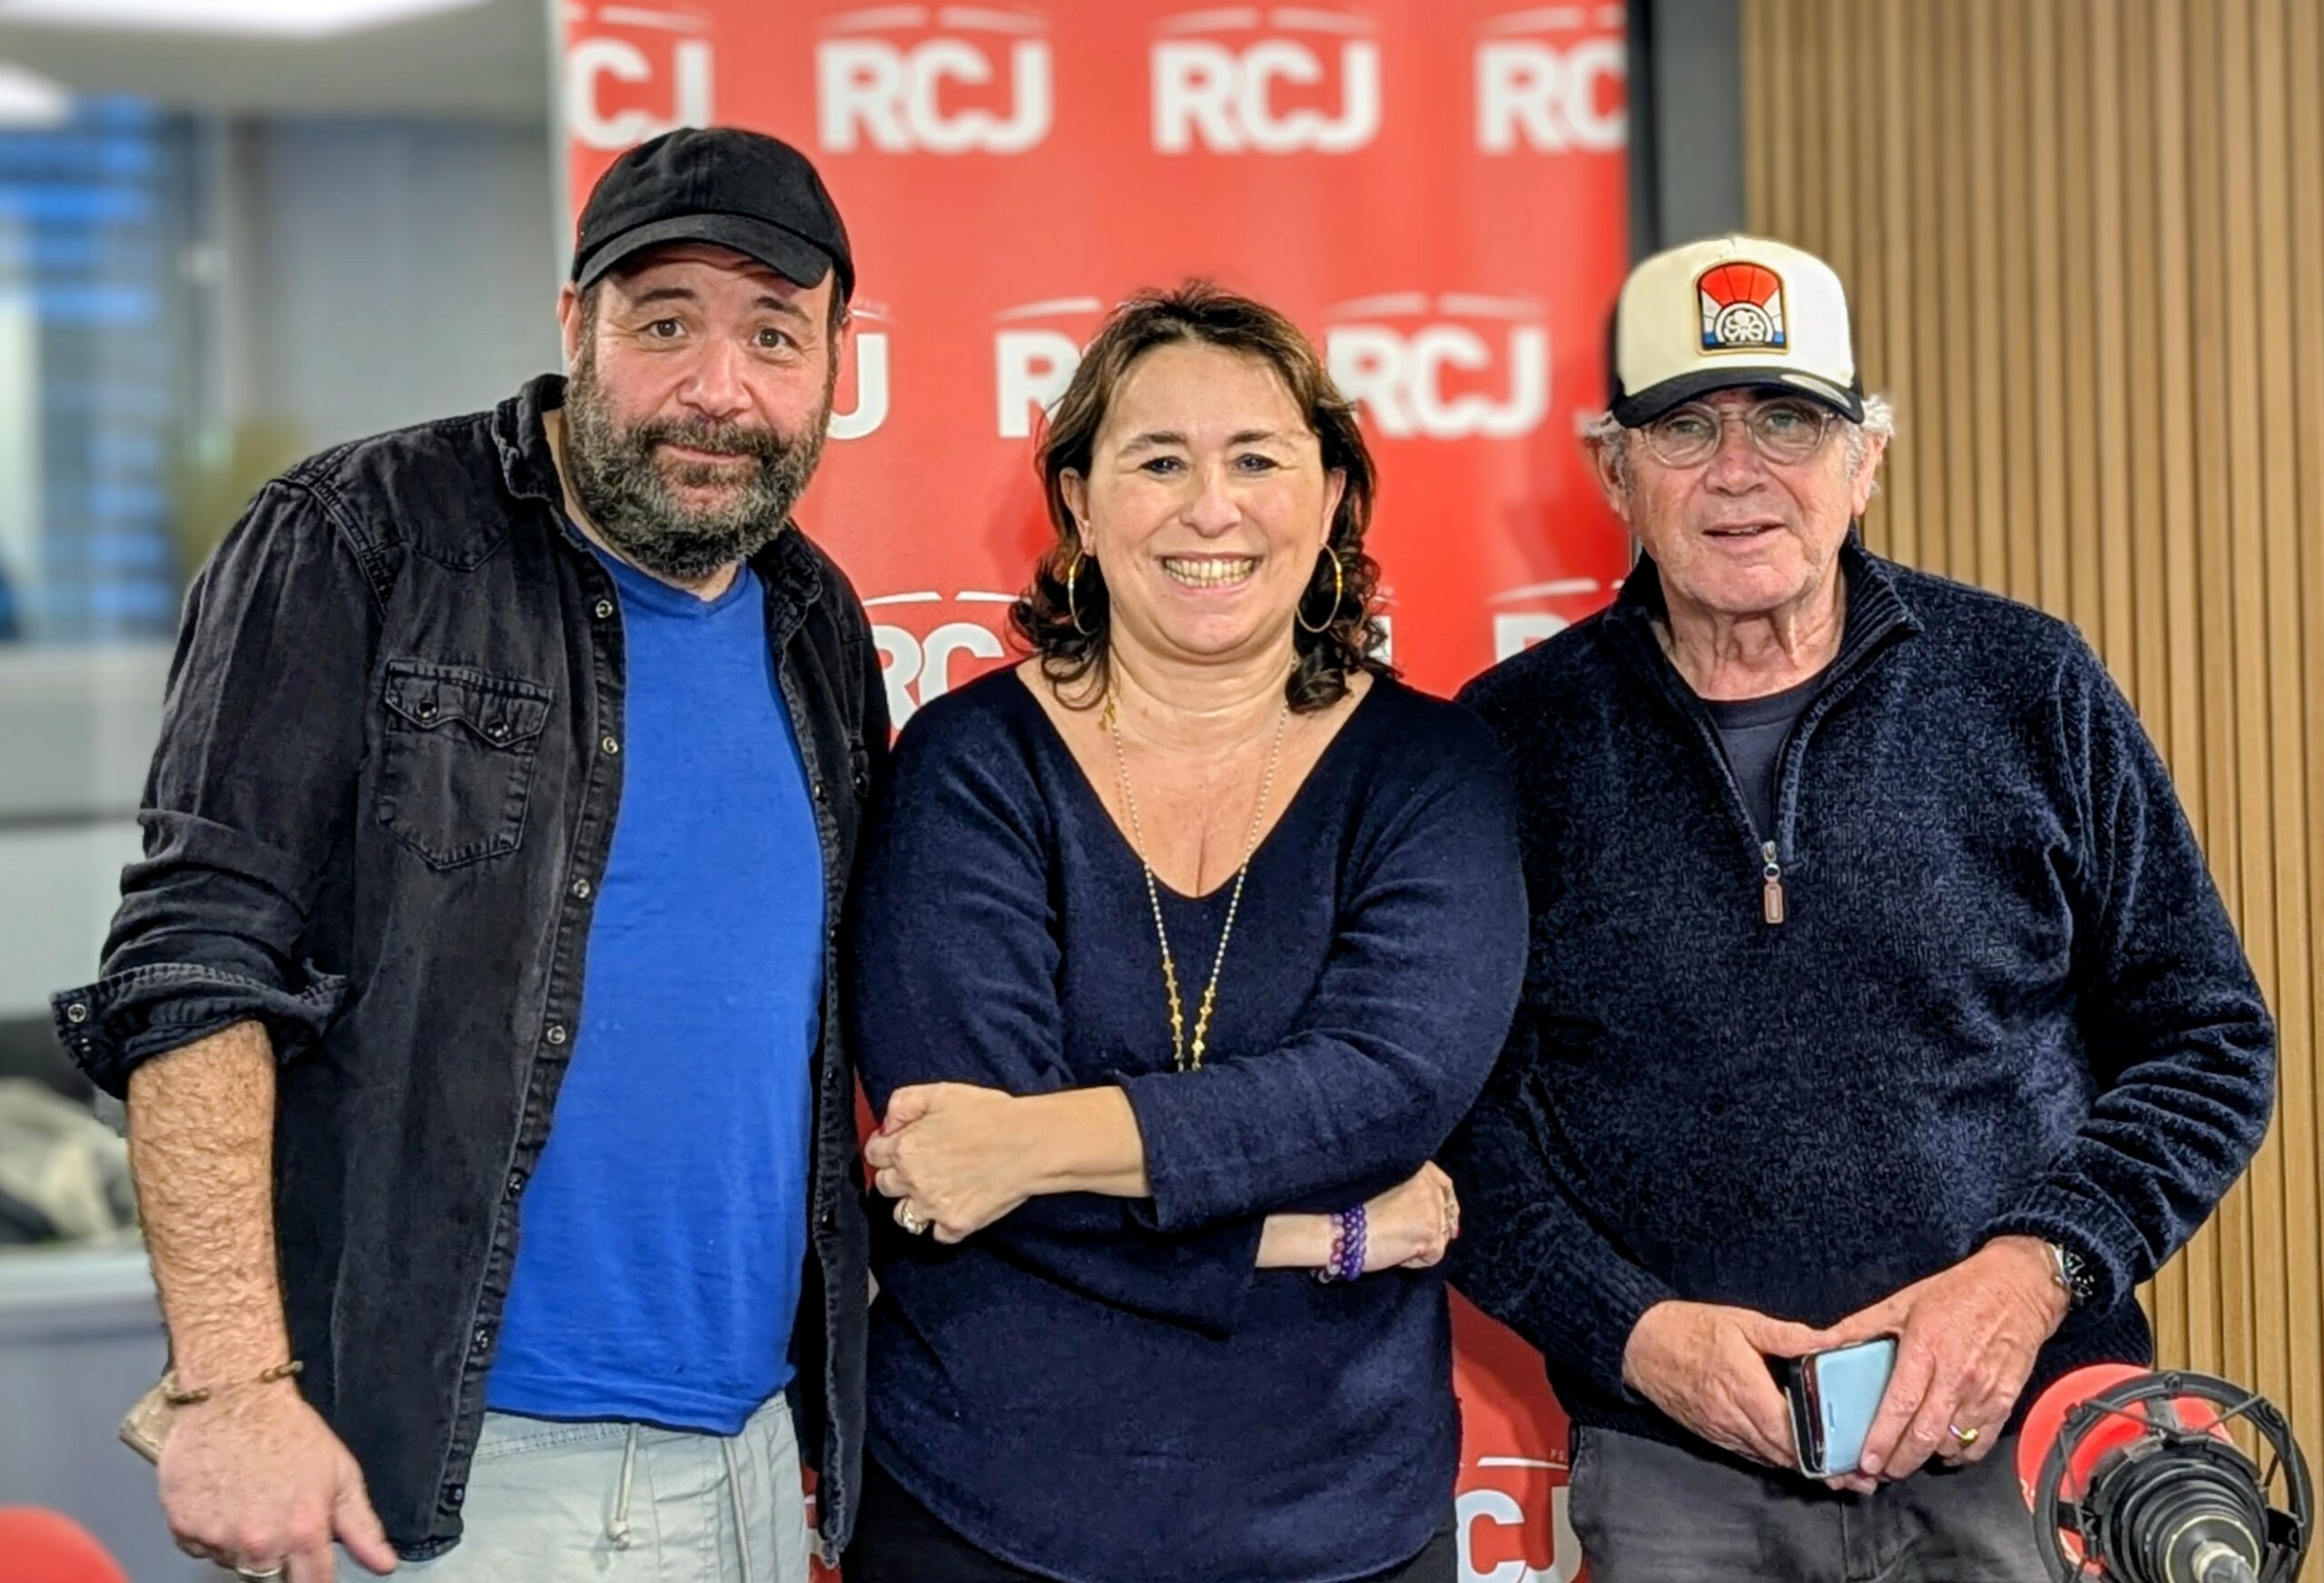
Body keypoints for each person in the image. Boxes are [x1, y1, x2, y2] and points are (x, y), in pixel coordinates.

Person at [50, 127, 887, 1583]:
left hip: (754, 1460)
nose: (717, 386)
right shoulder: (356, 538)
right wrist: (233, 1382)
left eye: (772, 333)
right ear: (575, 327)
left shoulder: (818, 620)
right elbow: (192, 964)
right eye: (665, 321)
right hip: (445, 1474)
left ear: (839, 365)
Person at [1443, 235, 2276, 1582]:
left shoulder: (2027, 683)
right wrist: (1632, 1330)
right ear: (1612, 471)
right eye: (1684, 427)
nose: (1738, 470)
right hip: (1680, 1477)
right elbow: (1457, 1118)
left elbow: (2208, 1042)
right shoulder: (1507, 745)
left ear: (1865, 460)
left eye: (1789, 419)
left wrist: (2033, 1273)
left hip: (2026, 1437)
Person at [841, 283, 1528, 1583]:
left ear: (1328, 500)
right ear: (1083, 507)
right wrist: (1315, 1234)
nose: (1210, 508)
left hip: (1342, 1523)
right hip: (983, 1509)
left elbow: (1384, 1093)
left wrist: (1041, 1146)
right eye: (1159, 461)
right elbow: (949, 1155)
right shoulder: (969, 764)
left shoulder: (1433, 771)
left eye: (1256, 460)